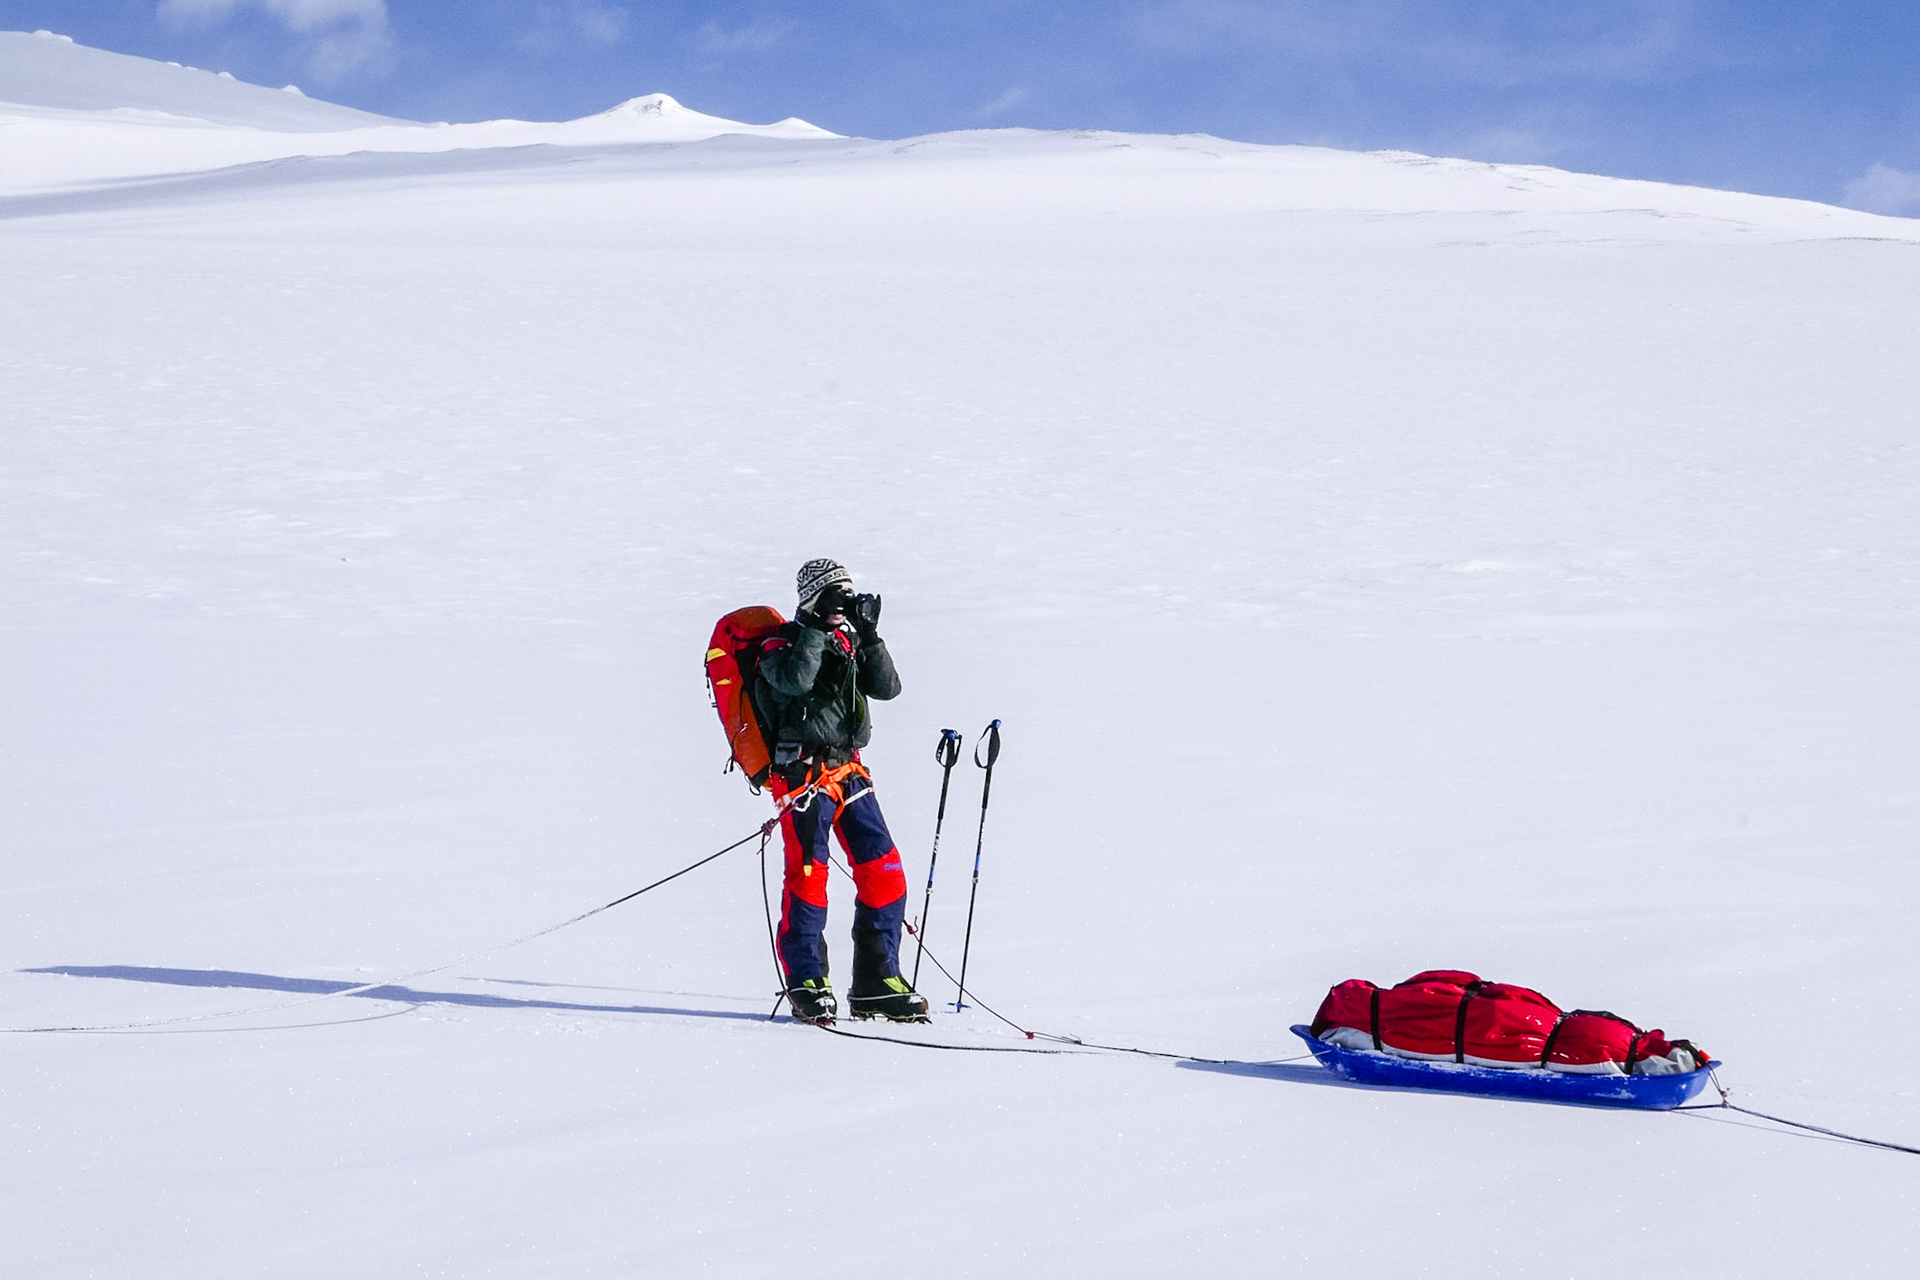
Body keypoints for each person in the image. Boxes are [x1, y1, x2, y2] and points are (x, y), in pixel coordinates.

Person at [752, 558, 929, 1025]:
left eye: (846, 594)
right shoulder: (779, 644)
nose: (841, 604)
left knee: (884, 870)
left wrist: (869, 635)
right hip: (802, 777)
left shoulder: (848, 641)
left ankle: (876, 983)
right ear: (810, 597)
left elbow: (888, 689)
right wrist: (812, 627)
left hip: (849, 771)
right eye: (833, 594)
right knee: (809, 877)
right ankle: (808, 981)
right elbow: (794, 681)